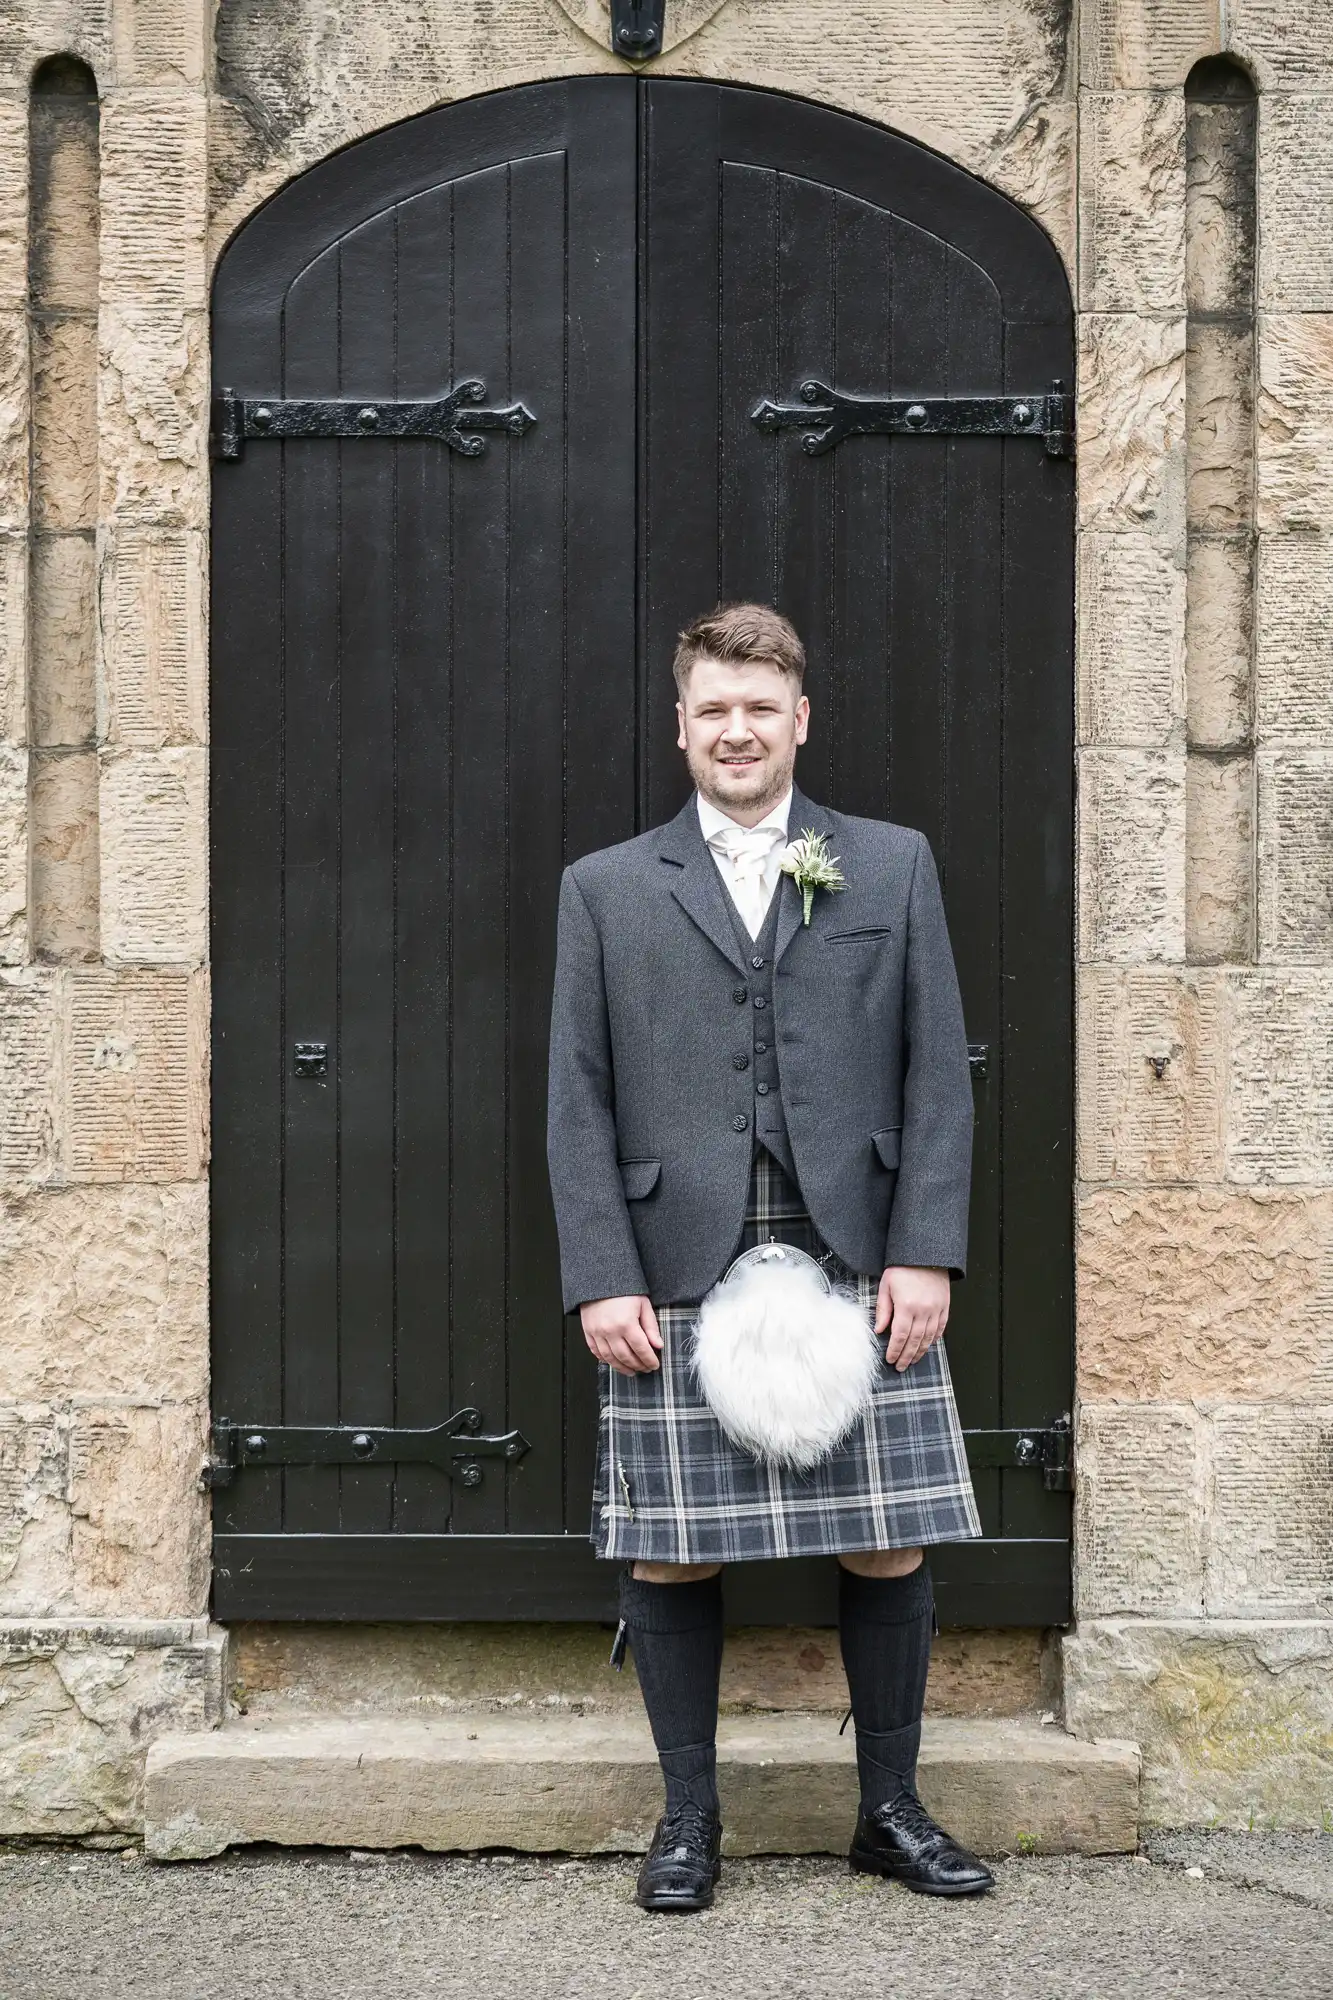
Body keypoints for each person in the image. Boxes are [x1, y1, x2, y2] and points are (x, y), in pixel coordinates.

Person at [546, 602, 992, 1911]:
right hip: (672, 1257)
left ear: (801, 719)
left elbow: (938, 1078)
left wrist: (927, 1250)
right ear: (679, 727)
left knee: (890, 1538)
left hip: (858, 1248)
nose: (737, 731)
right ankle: (689, 1821)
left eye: (761, 708)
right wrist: (599, 1269)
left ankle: (892, 1811)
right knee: (676, 1548)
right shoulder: (608, 890)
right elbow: (576, 1097)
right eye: (714, 710)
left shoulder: (892, 866)